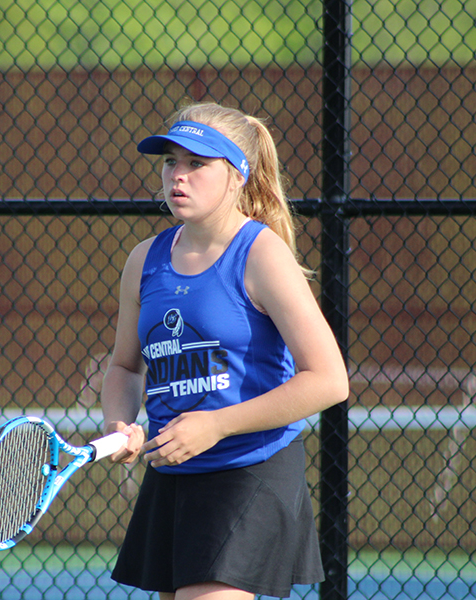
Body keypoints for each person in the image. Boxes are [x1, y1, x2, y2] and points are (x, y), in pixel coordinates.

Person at [99, 102, 350, 600]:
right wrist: (118, 424)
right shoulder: (143, 260)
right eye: (171, 161)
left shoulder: (261, 254)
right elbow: (126, 366)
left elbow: (328, 379)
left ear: (237, 175)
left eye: (198, 163)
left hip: (248, 470)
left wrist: (216, 424)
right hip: (173, 474)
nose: (179, 176)